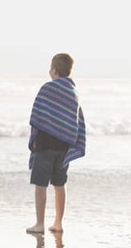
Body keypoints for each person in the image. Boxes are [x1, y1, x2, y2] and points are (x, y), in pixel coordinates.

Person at [26, 53, 86, 234]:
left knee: (40, 184)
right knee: (60, 184)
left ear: (53, 70)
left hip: (45, 145)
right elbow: (75, 120)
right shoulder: (73, 92)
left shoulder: (47, 89)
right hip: (64, 146)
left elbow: (37, 116)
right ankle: (58, 223)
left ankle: (39, 224)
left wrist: (35, 141)